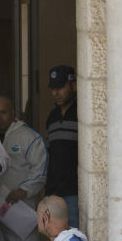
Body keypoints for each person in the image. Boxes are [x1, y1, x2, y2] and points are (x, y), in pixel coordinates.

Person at [0, 95, 47, 241]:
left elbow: (40, 168)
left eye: (3, 112)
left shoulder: (28, 137)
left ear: (13, 113)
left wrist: (24, 190)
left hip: (21, 210)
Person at [45, 65, 79, 228]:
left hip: (75, 193)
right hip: (54, 193)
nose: (55, 93)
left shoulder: (82, 113)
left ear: (73, 86)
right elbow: (50, 155)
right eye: (52, 88)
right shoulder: (52, 116)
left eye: (60, 87)